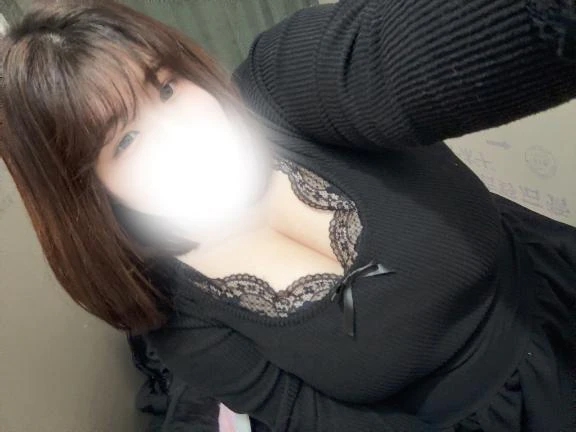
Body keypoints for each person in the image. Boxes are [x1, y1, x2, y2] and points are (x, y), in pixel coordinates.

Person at [1, 0, 575, 430]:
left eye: (167, 88)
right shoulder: (173, 308)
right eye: (125, 141)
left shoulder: (284, 83)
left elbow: (399, 55)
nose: (182, 133)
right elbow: (311, 418)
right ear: (88, 191)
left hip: (554, 300)